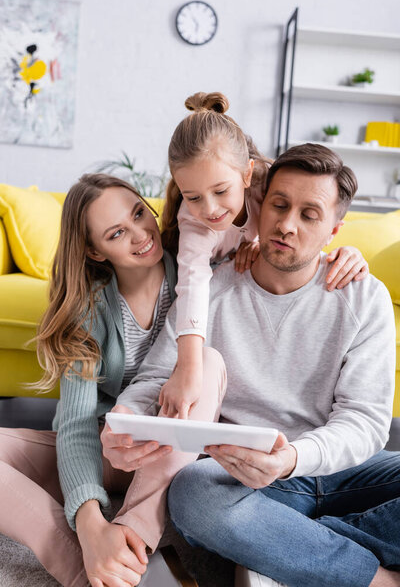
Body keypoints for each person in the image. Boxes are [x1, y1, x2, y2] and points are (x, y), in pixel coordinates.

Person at [112, 144, 399, 587]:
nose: (286, 225)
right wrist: (126, 419)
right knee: (193, 493)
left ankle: (287, 550)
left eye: (309, 214)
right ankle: (374, 576)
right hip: (238, 474)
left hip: (333, 467)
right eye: (279, 205)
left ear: (334, 230)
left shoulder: (364, 297)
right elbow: (156, 377)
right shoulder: (210, 289)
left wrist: (293, 459)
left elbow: (364, 422)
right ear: (258, 205)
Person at [0, 173, 227, 587]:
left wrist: (340, 256)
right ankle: (87, 566)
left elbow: (262, 221)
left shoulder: (200, 273)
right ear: (94, 250)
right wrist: (88, 523)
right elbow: (76, 424)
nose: (141, 234)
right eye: (117, 233)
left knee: (206, 362)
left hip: (184, 451)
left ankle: (132, 536)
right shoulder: (87, 309)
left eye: (139, 213)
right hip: (113, 451)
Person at [158, 91, 369, 420]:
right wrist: (188, 369)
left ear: (246, 174)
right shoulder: (194, 224)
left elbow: (311, 225)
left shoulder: (267, 184)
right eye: (193, 196)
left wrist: (349, 252)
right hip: (210, 279)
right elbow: (193, 286)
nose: (210, 209)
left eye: (221, 191)